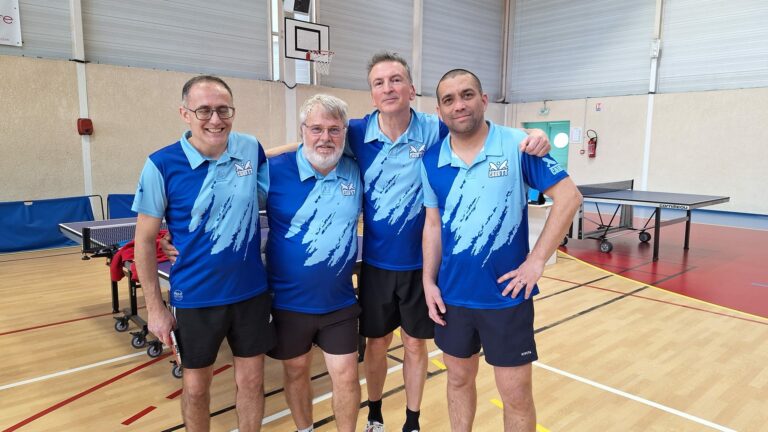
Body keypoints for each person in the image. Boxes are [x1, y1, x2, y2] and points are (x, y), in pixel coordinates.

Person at [345, 52, 552, 432]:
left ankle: (412, 419)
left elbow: (478, 128)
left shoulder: (434, 128)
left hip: (427, 270)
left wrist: (533, 135)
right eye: (379, 82)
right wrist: (262, 155)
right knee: (376, 344)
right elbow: (310, 141)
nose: (388, 88)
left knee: (414, 345)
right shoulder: (355, 133)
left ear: (411, 89)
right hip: (377, 263)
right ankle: (374, 412)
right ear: (371, 93)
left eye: (396, 80)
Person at [420, 69, 582, 432]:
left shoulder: (518, 145)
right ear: (440, 110)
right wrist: (428, 282)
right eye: (449, 100)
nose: (459, 105)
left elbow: (569, 197)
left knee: (516, 394)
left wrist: (536, 261)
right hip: (453, 297)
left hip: (506, 296)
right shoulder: (430, 160)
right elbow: (433, 225)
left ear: (483, 100)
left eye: (466, 95)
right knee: (458, 381)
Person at [133, 75, 275, 432]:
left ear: (233, 111)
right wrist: (155, 309)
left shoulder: (250, 148)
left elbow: (263, 190)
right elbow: (144, 242)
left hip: (250, 293)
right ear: (185, 113)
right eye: (204, 110)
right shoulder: (161, 165)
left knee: (253, 383)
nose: (215, 119)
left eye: (223, 109)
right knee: (196, 390)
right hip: (194, 297)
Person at [265, 94, 363, 432]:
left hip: (339, 302)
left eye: (334, 130)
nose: (325, 138)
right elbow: (227, 200)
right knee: (295, 372)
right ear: (303, 131)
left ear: (345, 132)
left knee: (348, 375)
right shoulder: (274, 171)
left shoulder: (356, 169)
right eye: (316, 129)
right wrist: (172, 236)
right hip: (288, 302)